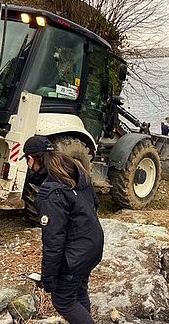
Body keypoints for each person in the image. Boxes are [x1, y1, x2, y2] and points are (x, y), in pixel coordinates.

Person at [22, 136, 104, 324]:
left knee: (63, 301)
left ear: (33, 159)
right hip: (92, 246)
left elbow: (53, 241)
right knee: (78, 291)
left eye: (27, 160)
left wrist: (49, 278)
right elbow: (94, 204)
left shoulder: (51, 193)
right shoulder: (76, 173)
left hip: (76, 254)